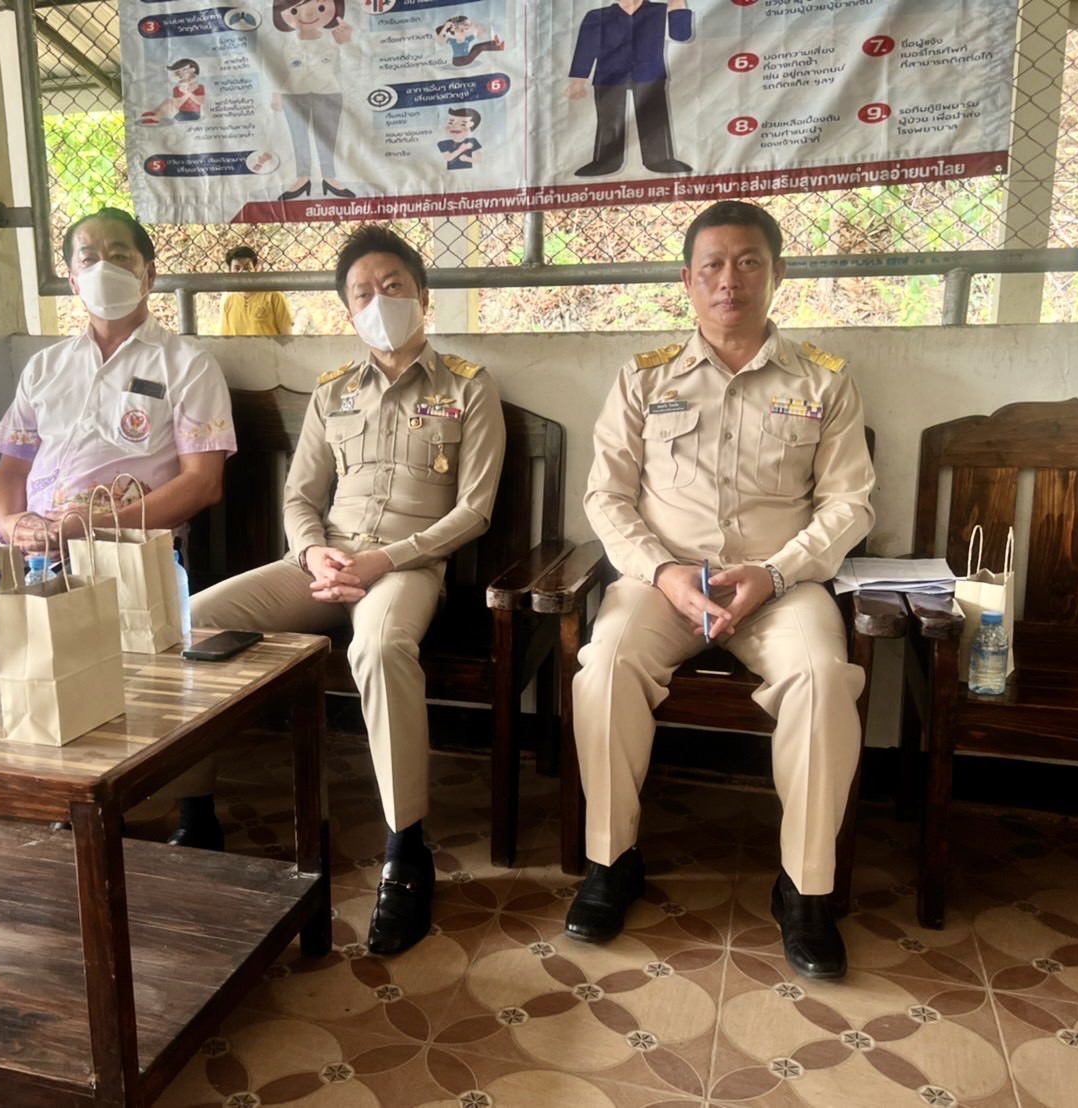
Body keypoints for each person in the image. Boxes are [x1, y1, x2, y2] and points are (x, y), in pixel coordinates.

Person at [174, 224, 506, 957]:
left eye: (393, 286)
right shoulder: (333, 394)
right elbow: (300, 496)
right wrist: (313, 552)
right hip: (323, 564)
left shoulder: (469, 388)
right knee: (196, 619)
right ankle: (196, 814)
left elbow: (474, 511)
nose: (379, 301)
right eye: (363, 293)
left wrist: (387, 560)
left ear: (423, 296)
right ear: (348, 310)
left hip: (407, 568)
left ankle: (406, 848)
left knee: (379, 649)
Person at [566, 201, 874, 981]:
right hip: (664, 583)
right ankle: (611, 862)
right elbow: (606, 496)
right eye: (712, 265)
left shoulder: (824, 380)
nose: (728, 280)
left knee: (821, 678)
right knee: (604, 666)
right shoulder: (644, 378)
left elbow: (850, 504)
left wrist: (777, 572)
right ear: (688, 280)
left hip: (779, 586)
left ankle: (805, 888)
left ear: (777, 273)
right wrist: (662, 571)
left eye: (747, 263)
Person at [0, 207, 235, 556]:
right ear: (74, 282)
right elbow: (12, 470)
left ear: (149, 274)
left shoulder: (188, 366)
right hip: (31, 552)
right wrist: (10, 523)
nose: (103, 269)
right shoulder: (44, 367)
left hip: (127, 555)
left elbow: (203, 482)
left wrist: (98, 528)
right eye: (88, 259)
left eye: (119, 257)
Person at [566, 0, 693, 177]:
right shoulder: (598, 16)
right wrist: (577, 81)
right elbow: (585, 48)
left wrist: (677, 5)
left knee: (654, 117)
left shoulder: (660, 11)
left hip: (649, 74)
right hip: (609, 75)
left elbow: (681, 35)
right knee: (609, 119)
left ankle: (660, 159)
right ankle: (606, 161)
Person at [270, 0, 356, 201]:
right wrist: (276, 94)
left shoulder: (335, 38)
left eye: (320, 7)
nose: (308, 15)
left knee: (326, 137)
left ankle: (329, 178)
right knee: (298, 138)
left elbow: (352, 68)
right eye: (295, 10)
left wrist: (347, 43)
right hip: (293, 94)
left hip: (329, 93)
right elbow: (277, 70)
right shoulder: (282, 42)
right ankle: (303, 178)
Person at [218, 246, 293, 336]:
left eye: (247, 268)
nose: (242, 272)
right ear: (230, 271)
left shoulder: (274, 296)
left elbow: (286, 335)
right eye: (237, 269)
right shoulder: (227, 297)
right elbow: (223, 335)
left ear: (255, 269)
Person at [140, 58, 205, 125]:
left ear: (193, 70)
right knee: (168, 100)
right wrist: (184, 91)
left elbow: (200, 102)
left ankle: (155, 119)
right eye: (178, 72)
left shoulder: (199, 87)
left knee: (169, 104)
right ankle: (153, 113)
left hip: (193, 115)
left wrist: (187, 92)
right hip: (181, 113)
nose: (181, 74)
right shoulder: (177, 88)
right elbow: (178, 104)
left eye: (184, 70)